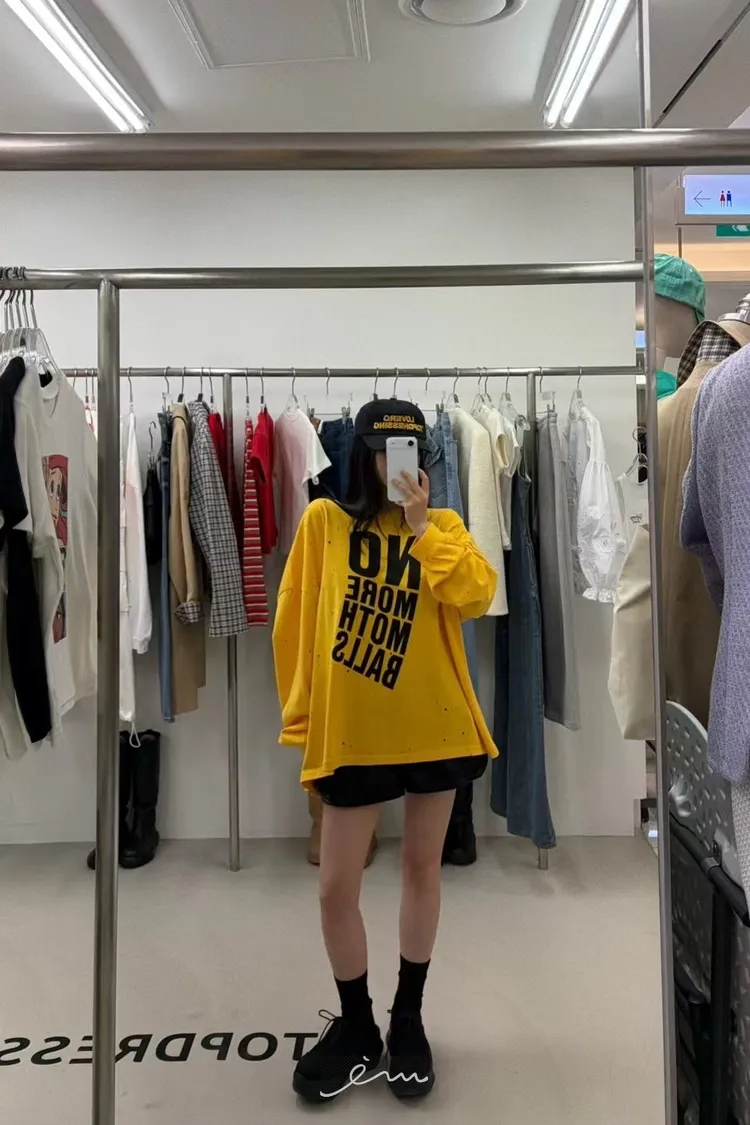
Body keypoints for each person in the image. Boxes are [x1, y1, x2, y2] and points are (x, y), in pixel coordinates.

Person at [273, 399, 499, 1103]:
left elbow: (475, 595)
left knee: (422, 869)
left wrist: (423, 527)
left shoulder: (445, 527)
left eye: (405, 451)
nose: (392, 465)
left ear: (423, 458)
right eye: (381, 451)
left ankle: (407, 1018)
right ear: (361, 456)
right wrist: (303, 715)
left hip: (436, 725)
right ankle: (357, 1025)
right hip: (354, 734)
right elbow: (294, 620)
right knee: (336, 886)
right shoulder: (324, 523)